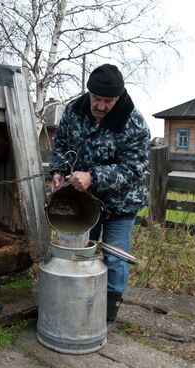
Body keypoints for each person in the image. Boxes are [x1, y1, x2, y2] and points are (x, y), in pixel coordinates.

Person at [49, 63, 150, 324]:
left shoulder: (135, 124)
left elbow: (133, 170)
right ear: (88, 93)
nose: (101, 106)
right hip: (81, 202)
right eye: (97, 99)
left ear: (119, 97)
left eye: (108, 101)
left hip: (121, 203)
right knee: (79, 252)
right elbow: (61, 145)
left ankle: (107, 313)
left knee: (115, 257)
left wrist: (93, 177)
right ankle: (77, 301)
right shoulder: (73, 111)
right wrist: (59, 173)